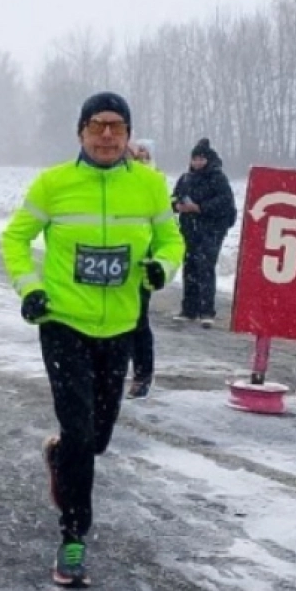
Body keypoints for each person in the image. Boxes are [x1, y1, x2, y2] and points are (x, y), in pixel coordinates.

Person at [2, 92, 181, 589]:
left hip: (120, 326)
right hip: (64, 325)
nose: (107, 135)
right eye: (98, 125)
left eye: (117, 127)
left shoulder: (149, 186)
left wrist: (160, 268)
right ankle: (73, 537)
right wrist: (30, 288)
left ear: (128, 135)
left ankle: (61, 458)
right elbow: (14, 239)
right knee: (80, 432)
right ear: (80, 131)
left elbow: (172, 241)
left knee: (97, 438)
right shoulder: (54, 184)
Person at [171, 137, 238, 327]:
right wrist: (177, 205)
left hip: (211, 230)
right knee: (190, 267)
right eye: (195, 159)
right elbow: (174, 197)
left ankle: (207, 311)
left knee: (205, 267)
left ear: (208, 160)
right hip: (189, 229)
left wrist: (199, 208)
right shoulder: (186, 178)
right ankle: (189, 309)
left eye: (201, 159)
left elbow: (224, 203)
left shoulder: (218, 178)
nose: (197, 162)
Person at [126, 138, 160, 397]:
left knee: (138, 320)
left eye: (142, 154)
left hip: (140, 264)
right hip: (114, 263)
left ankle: (142, 373)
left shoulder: (150, 182)